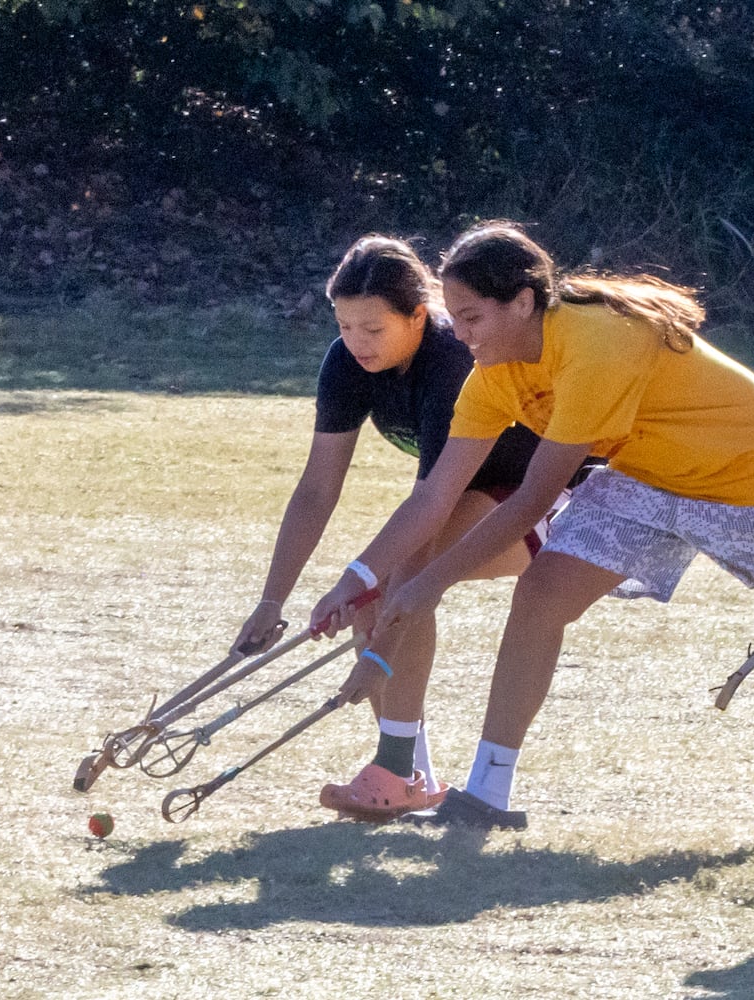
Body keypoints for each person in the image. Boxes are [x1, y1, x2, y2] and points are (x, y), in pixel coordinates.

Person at [311, 219, 754, 840]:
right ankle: (488, 793)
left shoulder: (594, 344)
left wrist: (427, 585)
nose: (458, 337)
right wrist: (364, 582)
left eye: (470, 318)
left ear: (523, 302)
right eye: (453, 319)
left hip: (747, 473)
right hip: (644, 478)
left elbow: (529, 503)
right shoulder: (492, 372)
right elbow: (435, 493)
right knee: (541, 594)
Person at [231, 234, 552, 821]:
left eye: (374, 330)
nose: (357, 343)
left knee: (400, 579)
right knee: (374, 597)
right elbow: (317, 488)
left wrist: (359, 576)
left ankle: (398, 768)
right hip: (464, 493)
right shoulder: (345, 364)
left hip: (540, 496)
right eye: (346, 326)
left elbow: (432, 501)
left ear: (418, 316)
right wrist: (271, 598)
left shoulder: (451, 362)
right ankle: (409, 774)